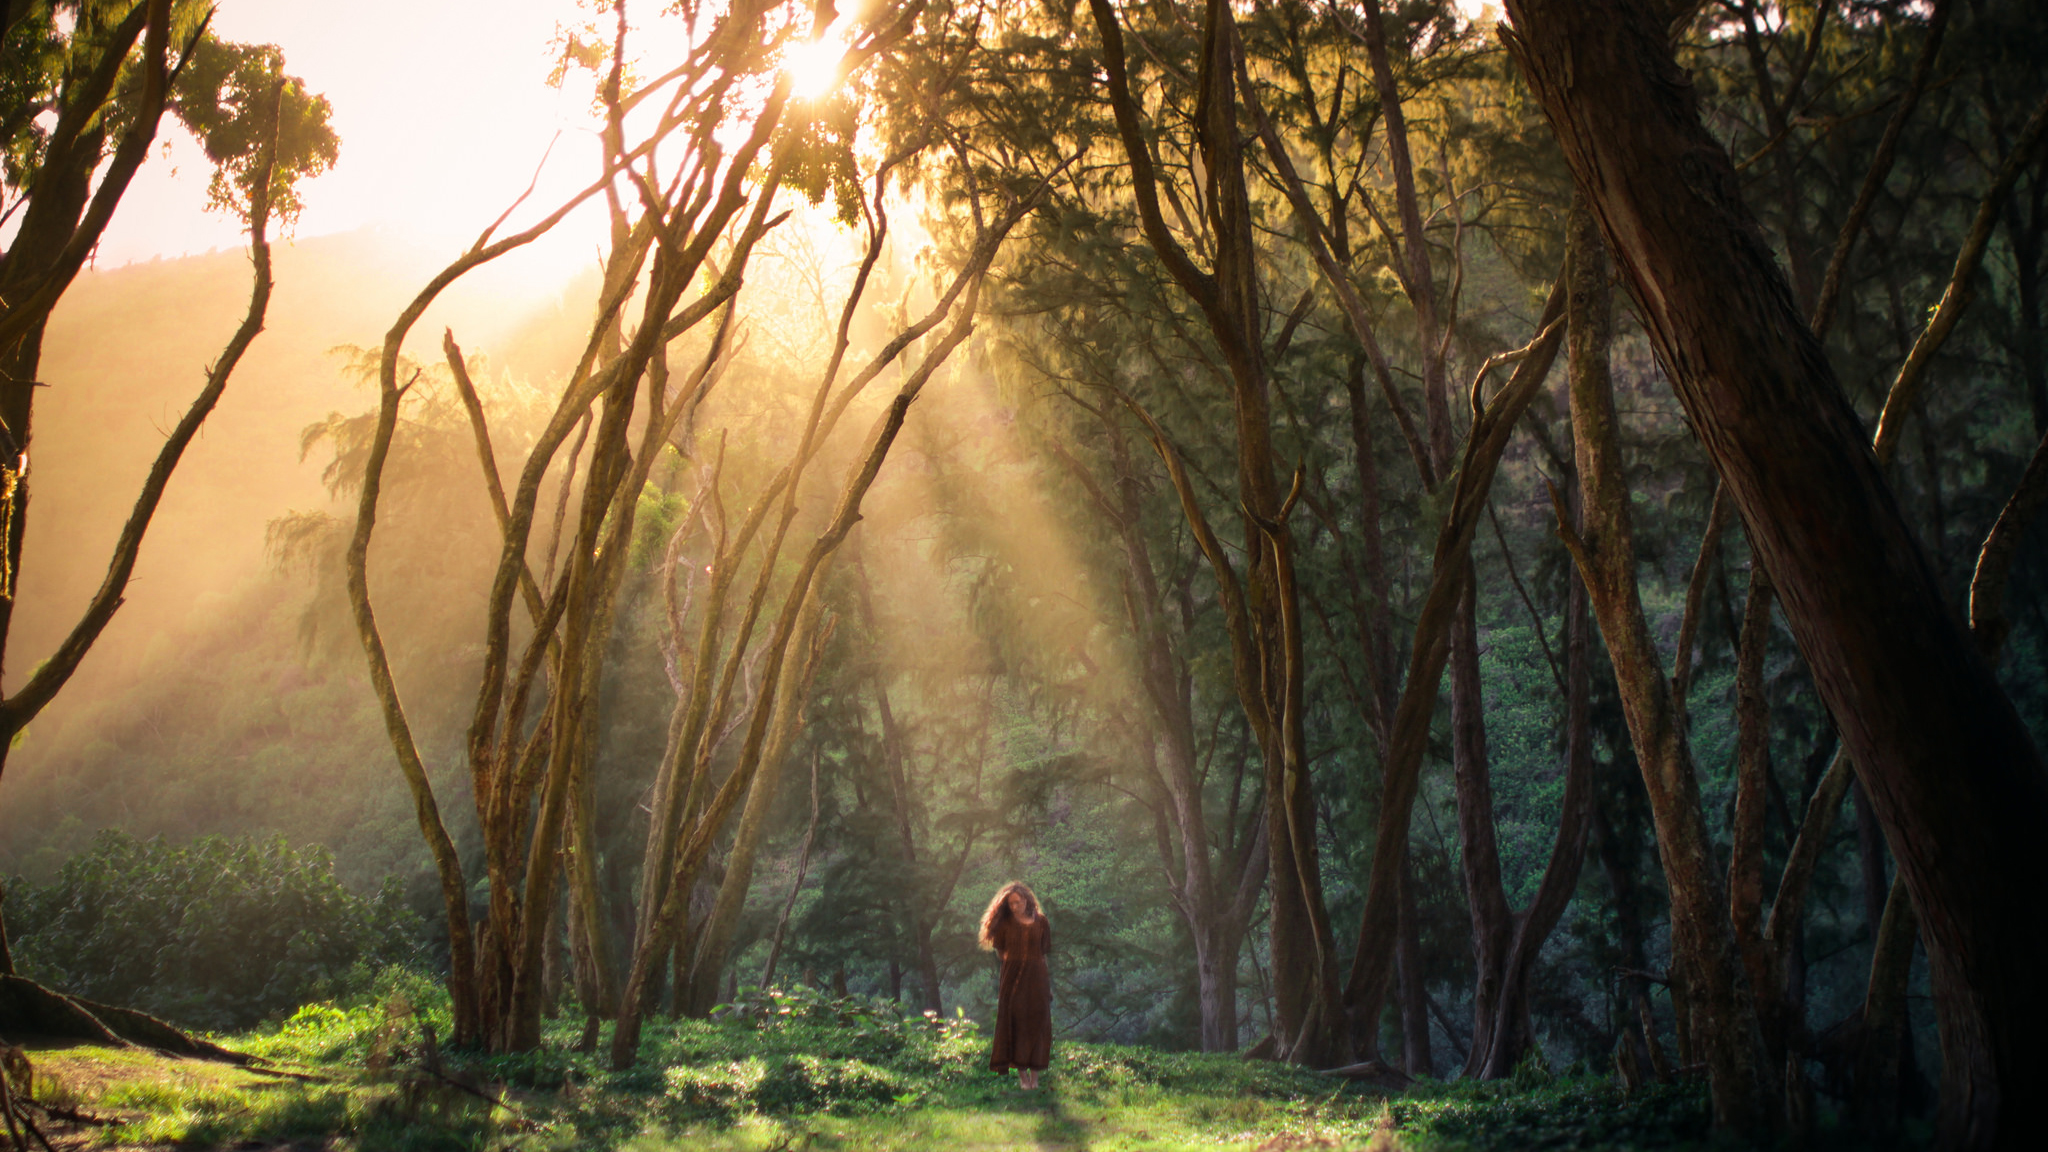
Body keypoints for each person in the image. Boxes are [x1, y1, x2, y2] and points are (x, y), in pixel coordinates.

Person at [979, 881, 1051, 1089]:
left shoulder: (1042, 922)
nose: (1014, 907)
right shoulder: (1005, 925)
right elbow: (1001, 952)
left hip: (1038, 978)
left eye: (1017, 902)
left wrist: (1044, 983)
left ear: (1027, 900)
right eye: (1010, 904)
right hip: (1013, 980)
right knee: (1017, 1023)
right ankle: (1023, 1079)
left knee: (1037, 1023)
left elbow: (1043, 950)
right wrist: (1016, 962)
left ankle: (1035, 1079)